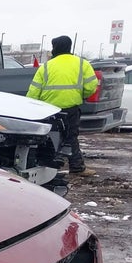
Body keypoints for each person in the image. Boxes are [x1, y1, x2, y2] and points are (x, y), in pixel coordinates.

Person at [26, 35, 97, 176]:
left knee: (46, 137)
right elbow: (91, 86)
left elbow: (34, 91)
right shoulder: (82, 64)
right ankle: (77, 167)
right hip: (71, 107)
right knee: (71, 137)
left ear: (55, 48)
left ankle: (46, 165)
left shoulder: (46, 66)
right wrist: (81, 95)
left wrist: (30, 108)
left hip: (48, 109)